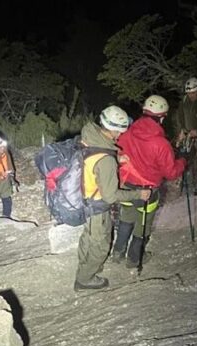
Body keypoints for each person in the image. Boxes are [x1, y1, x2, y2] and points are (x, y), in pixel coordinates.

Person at [74, 106, 151, 291]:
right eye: (120, 132)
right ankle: (84, 280)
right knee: (100, 245)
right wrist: (137, 194)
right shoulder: (106, 159)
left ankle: (85, 266)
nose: (120, 136)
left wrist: (116, 157)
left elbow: (95, 158)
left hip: (85, 198)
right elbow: (111, 195)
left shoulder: (89, 136)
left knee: (89, 238)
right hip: (97, 207)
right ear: (115, 130)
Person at [114, 94, 187, 268]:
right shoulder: (161, 144)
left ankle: (117, 253)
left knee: (126, 219)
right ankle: (134, 258)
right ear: (162, 117)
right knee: (143, 226)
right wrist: (183, 161)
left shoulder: (127, 132)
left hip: (126, 186)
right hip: (147, 191)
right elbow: (170, 173)